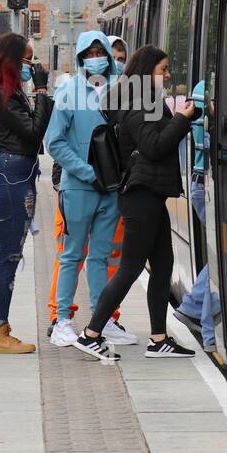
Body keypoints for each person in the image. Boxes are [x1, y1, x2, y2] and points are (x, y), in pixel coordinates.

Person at [74, 45, 200, 362]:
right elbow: (154, 146)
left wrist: (184, 117)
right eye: (163, 69)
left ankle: (159, 339)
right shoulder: (138, 103)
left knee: (163, 267)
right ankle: (90, 334)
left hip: (150, 193)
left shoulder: (145, 101)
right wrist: (183, 120)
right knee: (130, 267)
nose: (168, 74)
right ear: (146, 72)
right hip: (140, 194)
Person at [44, 31, 138, 348]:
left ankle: (105, 319)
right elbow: (53, 142)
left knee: (100, 256)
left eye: (100, 51)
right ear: (81, 57)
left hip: (111, 189)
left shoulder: (123, 89)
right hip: (79, 188)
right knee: (71, 256)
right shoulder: (68, 91)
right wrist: (86, 172)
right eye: (89, 52)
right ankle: (62, 321)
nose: (95, 57)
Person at [0, 34, 52, 354]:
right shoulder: (4, 92)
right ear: (12, 61)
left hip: (5, 172)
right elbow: (33, 132)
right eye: (27, 60)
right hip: (11, 175)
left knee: (3, 252)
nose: (32, 66)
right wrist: (42, 92)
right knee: (9, 255)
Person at [175, 80, 217, 351]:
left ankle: (193, 307)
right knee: (224, 256)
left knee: (223, 253)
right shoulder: (208, 92)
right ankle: (196, 312)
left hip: (200, 183)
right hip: (206, 184)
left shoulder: (203, 88)